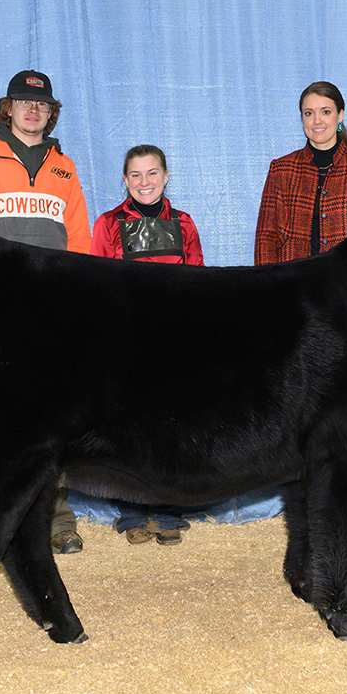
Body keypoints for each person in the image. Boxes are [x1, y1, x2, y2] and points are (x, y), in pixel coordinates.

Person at [0, 70, 92, 553]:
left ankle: (57, 518)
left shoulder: (65, 168)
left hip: (53, 313)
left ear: (51, 112)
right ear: (7, 108)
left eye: (42, 104)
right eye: (23, 102)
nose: (33, 110)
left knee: (56, 418)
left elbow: (82, 245)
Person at [90, 145, 205, 544]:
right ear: (125, 180)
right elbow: (100, 285)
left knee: (173, 425)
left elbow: (197, 282)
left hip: (173, 339)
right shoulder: (107, 224)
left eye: (152, 173)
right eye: (136, 175)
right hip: (127, 339)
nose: (144, 182)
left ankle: (168, 511)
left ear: (166, 175)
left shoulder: (185, 223)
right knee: (129, 428)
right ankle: (133, 511)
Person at [254, 81, 347, 264]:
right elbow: (265, 239)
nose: (316, 121)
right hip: (290, 286)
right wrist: (268, 287)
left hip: (344, 286)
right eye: (309, 113)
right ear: (302, 119)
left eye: (326, 112)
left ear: (340, 116)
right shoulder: (281, 170)